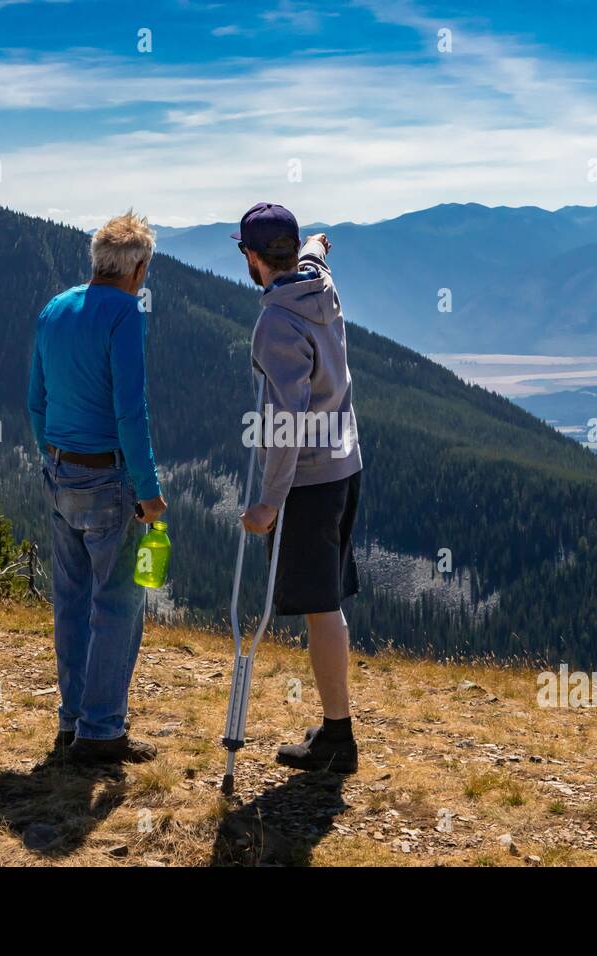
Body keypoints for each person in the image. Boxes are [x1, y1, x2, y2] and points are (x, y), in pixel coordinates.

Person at [27, 210, 167, 765]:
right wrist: (149, 488)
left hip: (61, 471)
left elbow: (35, 402)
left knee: (71, 601)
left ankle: (71, 723)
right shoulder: (125, 315)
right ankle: (102, 731)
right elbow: (132, 412)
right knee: (116, 603)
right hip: (109, 478)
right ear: (135, 269)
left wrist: (54, 456)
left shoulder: (54, 310)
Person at [235, 202, 364, 774]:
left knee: (320, 607)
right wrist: (316, 244)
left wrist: (270, 501)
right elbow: (313, 259)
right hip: (345, 462)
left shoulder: (275, 323)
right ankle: (335, 727)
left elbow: (284, 422)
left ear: (254, 257)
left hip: (309, 479)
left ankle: (338, 738)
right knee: (326, 602)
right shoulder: (322, 288)